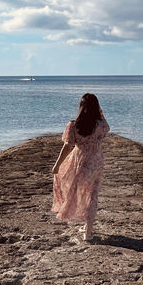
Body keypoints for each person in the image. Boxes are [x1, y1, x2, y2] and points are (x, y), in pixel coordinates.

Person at [52, 93, 110, 242]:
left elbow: (67, 147)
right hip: (96, 162)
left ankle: (86, 227)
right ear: (96, 107)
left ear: (81, 107)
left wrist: (57, 165)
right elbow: (107, 130)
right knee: (92, 194)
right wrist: (101, 114)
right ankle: (88, 231)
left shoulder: (73, 125)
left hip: (79, 162)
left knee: (78, 192)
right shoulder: (101, 125)